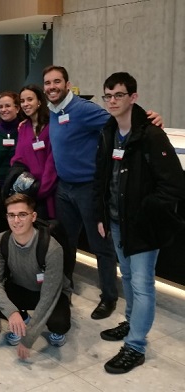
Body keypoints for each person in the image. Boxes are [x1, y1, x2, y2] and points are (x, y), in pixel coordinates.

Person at [43, 65, 161, 319]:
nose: (51, 86)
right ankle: (64, 289)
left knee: (101, 245)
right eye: (47, 82)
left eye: (56, 82)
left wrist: (149, 119)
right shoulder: (52, 111)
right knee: (66, 242)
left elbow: (119, 119)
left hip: (88, 188)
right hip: (64, 187)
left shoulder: (83, 109)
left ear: (67, 84)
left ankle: (109, 297)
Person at [93, 72, 185, 374]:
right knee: (129, 279)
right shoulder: (108, 131)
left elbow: (174, 185)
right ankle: (132, 323)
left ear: (133, 97)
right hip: (117, 223)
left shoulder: (150, 134)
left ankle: (135, 346)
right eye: (108, 95)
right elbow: (103, 179)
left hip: (143, 227)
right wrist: (102, 216)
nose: (112, 101)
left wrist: (144, 211)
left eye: (118, 95)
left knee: (143, 285)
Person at [0, 194, 72, 359]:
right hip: (21, 287)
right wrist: (12, 313)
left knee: (59, 324)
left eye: (22, 215)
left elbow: (48, 297)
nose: (16, 220)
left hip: (49, 292)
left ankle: (49, 329)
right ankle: (22, 318)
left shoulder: (52, 248)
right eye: (11, 215)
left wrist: (28, 338)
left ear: (33, 217)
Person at [9, 84, 57, 219]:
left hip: (49, 189)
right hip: (28, 189)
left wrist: (42, 189)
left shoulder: (51, 126)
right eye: (22, 101)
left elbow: (52, 161)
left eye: (30, 99)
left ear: (40, 102)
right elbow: (18, 158)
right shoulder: (23, 127)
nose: (25, 104)